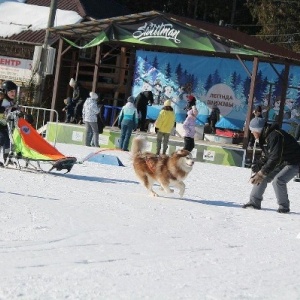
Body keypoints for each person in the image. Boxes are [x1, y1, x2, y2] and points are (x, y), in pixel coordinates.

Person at [242, 117, 300, 213]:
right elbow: (267, 156)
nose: (252, 133)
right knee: (261, 177)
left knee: (278, 180)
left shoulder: (275, 136)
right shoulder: (264, 137)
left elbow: (274, 158)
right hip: (282, 161)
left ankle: (284, 207)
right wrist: (259, 166)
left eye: (252, 131)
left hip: (295, 161)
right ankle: (254, 202)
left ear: (258, 129)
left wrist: (262, 172)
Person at [0, 80, 18, 166]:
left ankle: (6, 158)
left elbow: (12, 109)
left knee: (7, 141)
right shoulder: (2, 100)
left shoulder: (11, 102)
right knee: (2, 139)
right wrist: (2, 109)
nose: (13, 93)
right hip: (0, 124)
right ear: (5, 91)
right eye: (11, 91)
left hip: (4, 124)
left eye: (14, 91)